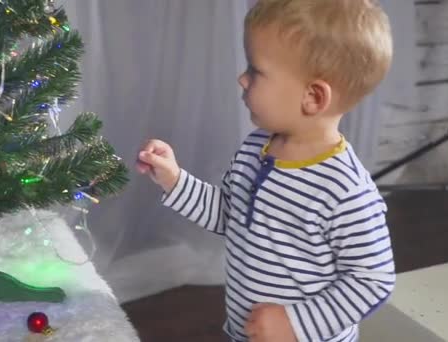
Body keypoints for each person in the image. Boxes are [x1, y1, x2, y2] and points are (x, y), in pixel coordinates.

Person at [137, 0, 395, 340]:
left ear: (313, 97)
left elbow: (373, 280)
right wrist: (174, 179)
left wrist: (296, 324)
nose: (242, 79)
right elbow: (228, 214)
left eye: (256, 70)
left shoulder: (344, 189)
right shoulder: (255, 148)